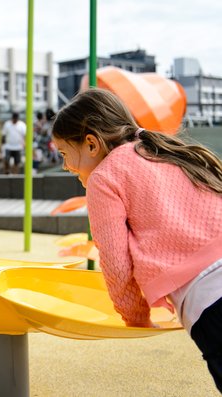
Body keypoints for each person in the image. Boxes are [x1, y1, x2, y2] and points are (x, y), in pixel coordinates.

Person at [51, 87, 222, 392]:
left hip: (209, 298)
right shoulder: (159, 148)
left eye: (65, 154)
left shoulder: (105, 178)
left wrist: (136, 317)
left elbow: (116, 263)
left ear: (91, 143)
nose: (65, 166)